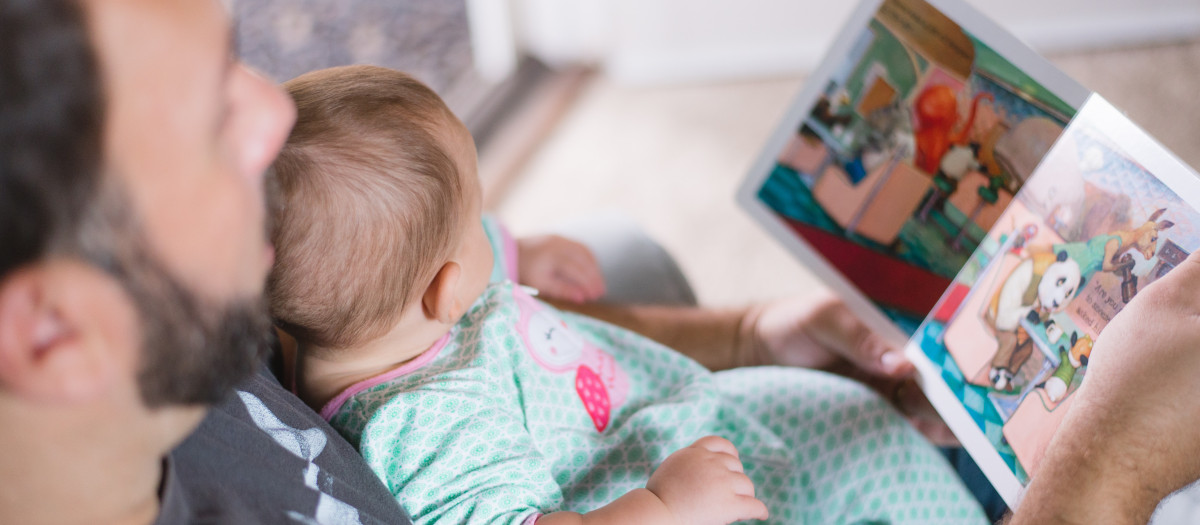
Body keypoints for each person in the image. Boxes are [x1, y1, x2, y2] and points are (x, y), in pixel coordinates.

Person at [1, 1, 1197, 523]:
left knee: (617, 250)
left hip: (676, 430)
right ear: (52, 334)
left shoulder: (208, 302)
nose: (270, 115)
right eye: (209, 119)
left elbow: (445, 315)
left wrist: (740, 332)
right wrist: (1110, 470)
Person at [267, 64, 987, 524]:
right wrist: (666, 506)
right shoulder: (426, 425)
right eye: (478, 220)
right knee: (877, 468)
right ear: (446, 290)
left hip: (686, 420)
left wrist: (517, 250)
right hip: (680, 490)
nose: (492, 226)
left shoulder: (361, 316)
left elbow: (436, 246)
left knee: (861, 414)